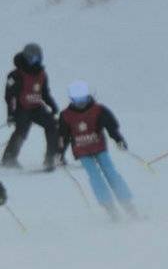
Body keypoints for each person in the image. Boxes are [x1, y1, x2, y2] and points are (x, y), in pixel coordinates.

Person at [58, 81, 137, 221]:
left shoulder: (99, 110)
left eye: (83, 98)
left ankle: (129, 206)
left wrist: (118, 139)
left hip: (99, 148)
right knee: (95, 178)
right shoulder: (66, 115)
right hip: (82, 151)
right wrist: (60, 153)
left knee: (111, 173)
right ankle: (110, 209)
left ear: (88, 96)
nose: (80, 102)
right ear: (71, 99)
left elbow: (111, 127)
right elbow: (63, 136)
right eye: (77, 100)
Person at [2, 42, 62, 170]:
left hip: (36, 108)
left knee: (52, 125)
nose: (33, 62)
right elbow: (9, 96)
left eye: (36, 59)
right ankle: (8, 159)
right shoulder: (15, 75)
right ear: (25, 58)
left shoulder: (42, 75)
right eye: (30, 59)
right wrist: (11, 114)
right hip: (21, 109)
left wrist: (53, 106)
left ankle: (50, 157)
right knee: (21, 131)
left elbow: (44, 93)